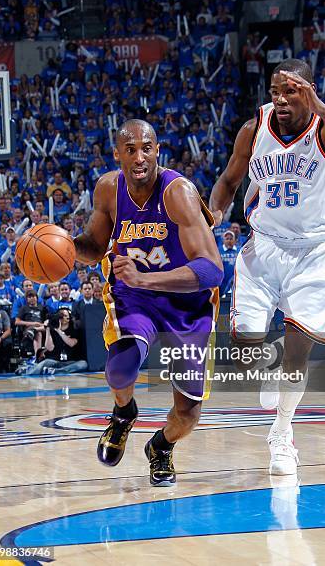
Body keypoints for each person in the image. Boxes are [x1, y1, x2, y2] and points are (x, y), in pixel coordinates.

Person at [209, 58, 325, 475]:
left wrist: (320, 106)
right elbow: (229, 181)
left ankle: (282, 434)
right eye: (275, 91)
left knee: (299, 349)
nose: (280, 99)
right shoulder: (255, 128)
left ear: (310, 90)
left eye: (291, 91)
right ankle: (268, 366)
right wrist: (211, 216)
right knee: (245, 351)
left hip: (314, 250)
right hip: (264, 248)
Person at [73, 119, 223, 486]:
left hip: (187, 302)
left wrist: (146, 278)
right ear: (117, 154)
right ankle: (124, 413)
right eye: (130, 149)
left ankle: (160, 447)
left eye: (147, 148)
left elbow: (212, 270)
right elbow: (93, 247)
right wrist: (62, 246)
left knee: (187, 414)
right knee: (120, 368)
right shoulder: (108, 189)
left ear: (157, 150)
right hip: (135, 297)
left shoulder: (178, 192)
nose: (139, 157)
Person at [25, 309, 88, 375]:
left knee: (83, 364)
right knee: (44, 363)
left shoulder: (73, 329)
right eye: (61, 316)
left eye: (65, 316)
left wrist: (59, 331)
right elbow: (49, 348)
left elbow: (71, 343)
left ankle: (57, 371)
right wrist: (48, 329)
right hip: (55, 361)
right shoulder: (52, 328)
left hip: (70, 361)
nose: (63, 318)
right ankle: (27, 372)